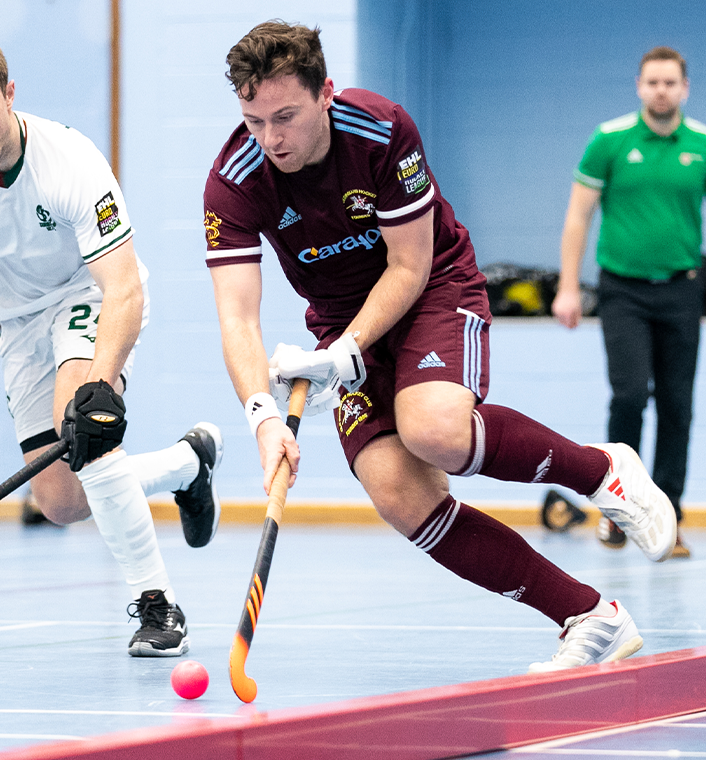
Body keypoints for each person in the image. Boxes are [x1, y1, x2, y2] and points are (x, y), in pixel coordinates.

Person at [202, 21, 677, 673]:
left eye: (285, 116)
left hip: (431, 284)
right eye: (254, 121)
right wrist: (261, 416)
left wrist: (347, 351)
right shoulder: (234, 179)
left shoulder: (380, 130)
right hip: (341, 323)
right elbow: (237, 319)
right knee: (399, 492)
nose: (271, 138)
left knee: (435, 432)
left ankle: (601, 472)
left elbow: (408, 264)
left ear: (325, 95)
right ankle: (589, 616)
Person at [0, 28, 223, 656]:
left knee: (85, 428)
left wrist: (99, 384)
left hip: (89, 294)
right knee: (62, 502)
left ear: (9, 93)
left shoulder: (70, 162)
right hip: (17, 324)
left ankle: (158, 607)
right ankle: (189, 464)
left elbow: (123, 286)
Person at [552, 46, 706, 560]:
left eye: (671, 83)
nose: (661, 90)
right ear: (639, 87)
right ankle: (619, 512)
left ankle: (670, 519)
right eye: (652, 82)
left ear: (685, 89)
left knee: (677, 406)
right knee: (629, 397)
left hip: (683, 292)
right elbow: (578, 216)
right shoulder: (609, 140)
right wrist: (568, 286)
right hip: (623, 291)